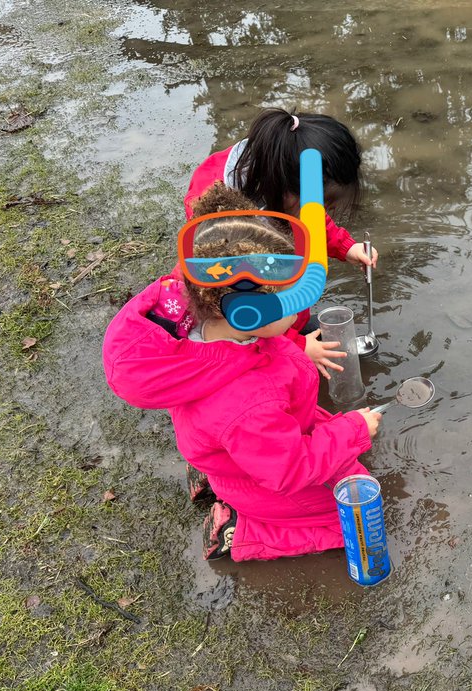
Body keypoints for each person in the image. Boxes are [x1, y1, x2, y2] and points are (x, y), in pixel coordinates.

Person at [102, 183, 382, 561]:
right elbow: (291, 469)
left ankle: (212, 474)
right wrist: (353, 432)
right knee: (354, 510)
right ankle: (241, 529)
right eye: (291, 304)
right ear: (249, 315)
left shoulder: (197, 307)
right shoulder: (248, 402)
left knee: (319, 448)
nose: (299, 316)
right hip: (263, 469)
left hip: (237, 449)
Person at [183, 108, 379, 353]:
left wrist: (346, 246)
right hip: (243, 333)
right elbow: (246, 316)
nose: (324, 211)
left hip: (276, 310)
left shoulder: (281, 169)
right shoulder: (225, 232)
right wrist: (296, 347)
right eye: (322, 203)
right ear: (286, 192)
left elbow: (311, 222)